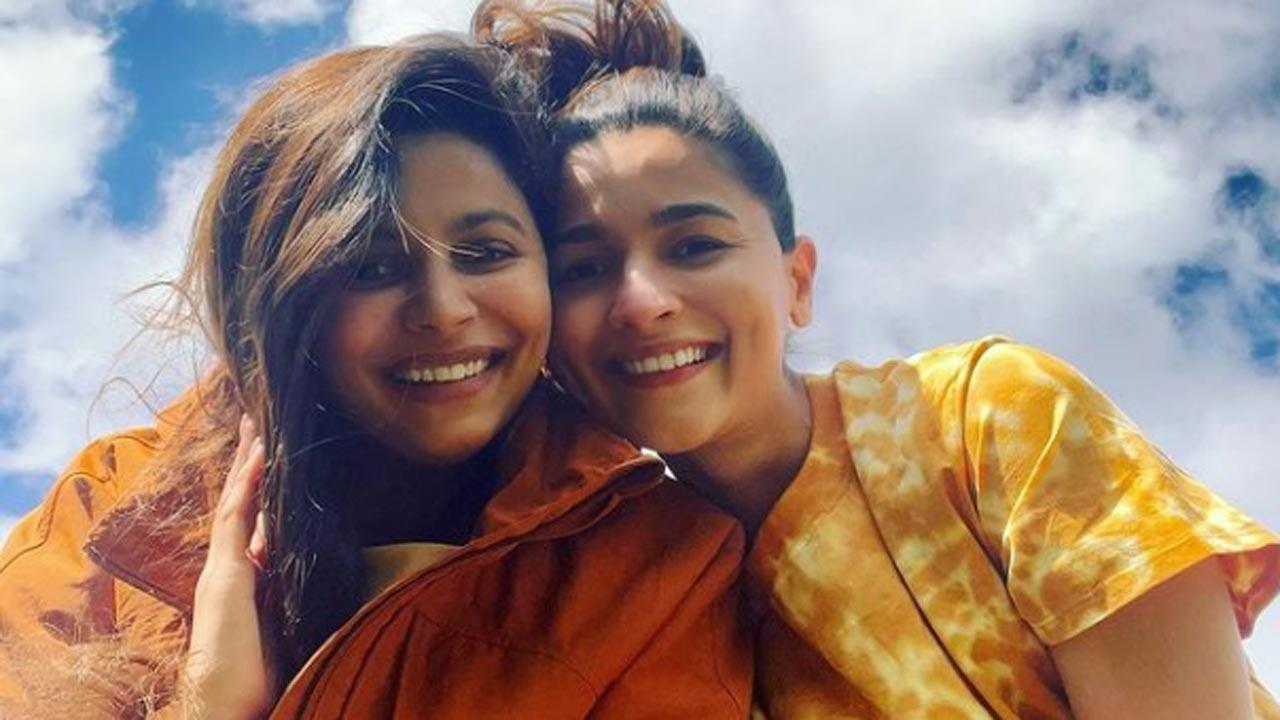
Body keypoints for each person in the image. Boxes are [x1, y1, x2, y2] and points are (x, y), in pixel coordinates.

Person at [475, 0, 1280, 716]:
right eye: (582, 269)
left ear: (797, 282)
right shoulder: (646, 590)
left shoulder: (987, 417)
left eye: (694, 244)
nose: (641, 300)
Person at [0, 32, 751, 719]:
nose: (443, 309)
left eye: (486, 252)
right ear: (285, 301)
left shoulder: (651, 564)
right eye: (372, 267)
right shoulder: (112, 507)